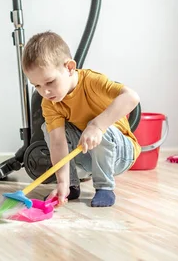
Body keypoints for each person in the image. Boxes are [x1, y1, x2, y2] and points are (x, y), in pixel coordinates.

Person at [21, 30, 142, 207]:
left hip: (120, 154)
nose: (44, 92)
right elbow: (57, 143)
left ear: (70, 67)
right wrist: (61, 182)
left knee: (98, 128)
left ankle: (104, 188)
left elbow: (132, 97)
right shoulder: (50, 102)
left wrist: (98, 126)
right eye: (37, 86)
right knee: (50, 130)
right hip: (89, 157)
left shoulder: (92, 81)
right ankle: (70, 186)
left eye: (49, 82)